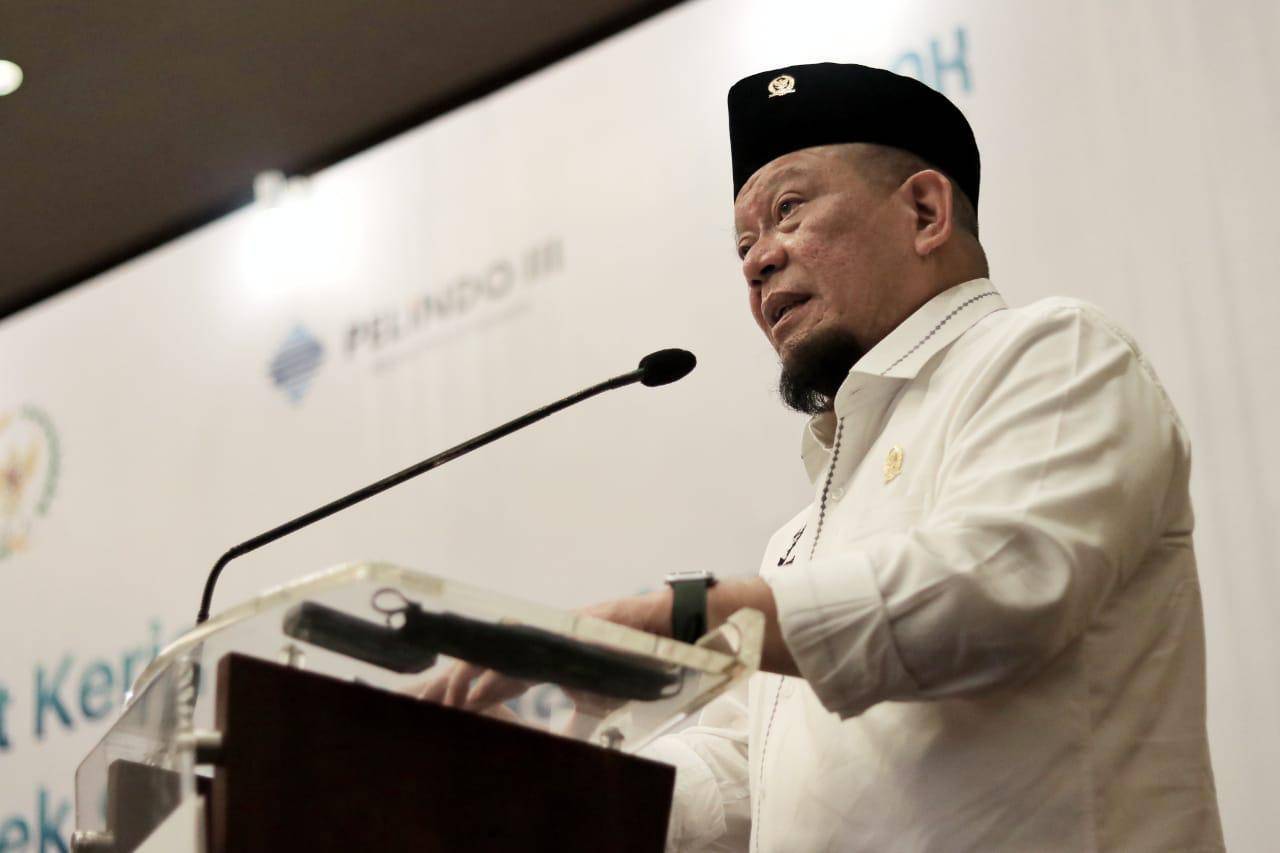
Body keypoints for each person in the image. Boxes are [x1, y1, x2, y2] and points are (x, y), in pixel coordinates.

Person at [421, 63, 1225, 851]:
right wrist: (531, 775)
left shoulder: (1053, 353)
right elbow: (740, 777)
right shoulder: (798, 540)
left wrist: (682, 615)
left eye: (789, 210)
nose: (756, 260)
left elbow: (993, 589)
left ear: (925, 212)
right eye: (744, 242)